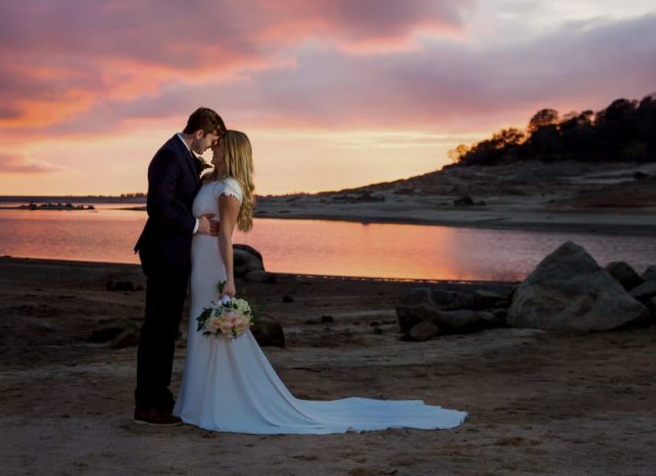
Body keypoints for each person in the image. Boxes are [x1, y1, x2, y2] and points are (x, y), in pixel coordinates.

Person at [173, 130, 468, 434]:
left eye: (219, 144)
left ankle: (216, 402)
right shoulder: (210, 181)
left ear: (232, 151)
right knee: (204, 328)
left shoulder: (229, 187)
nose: (213, 147)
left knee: (215, 330)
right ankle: (201, 400)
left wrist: (230, 280)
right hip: (201, 264)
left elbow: (226, 236)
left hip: (214, 266)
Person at [133, 107, 226, 426]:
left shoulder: (183, 156)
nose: (212, 148)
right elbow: (157, 207)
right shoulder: (170, 156)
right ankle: (148, 405)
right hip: (164, 254)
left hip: (173, 255)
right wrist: (195, 225)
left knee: (165, 329)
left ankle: (159, 399)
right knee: (158, 330)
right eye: (212, 140)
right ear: (199, 132)